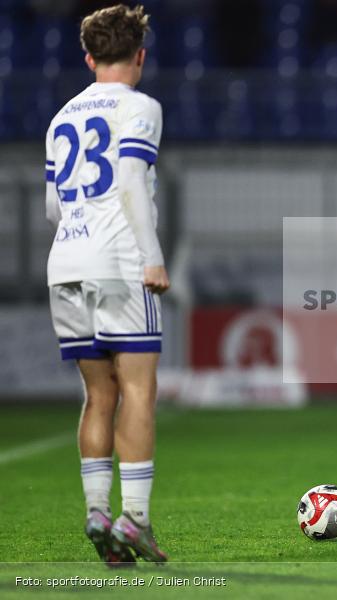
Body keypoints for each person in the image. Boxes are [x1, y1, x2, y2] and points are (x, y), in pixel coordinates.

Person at [45, 4, 168, 564]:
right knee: (138, 390)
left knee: (98, 394)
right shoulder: (141, 106)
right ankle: (134, 520)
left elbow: (52, 205)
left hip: (64, 261)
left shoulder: (61, 116)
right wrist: (152, 256)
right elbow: (130, 181)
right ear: (139, 55)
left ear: (89, 56)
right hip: (119, 263)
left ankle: (97, 510)